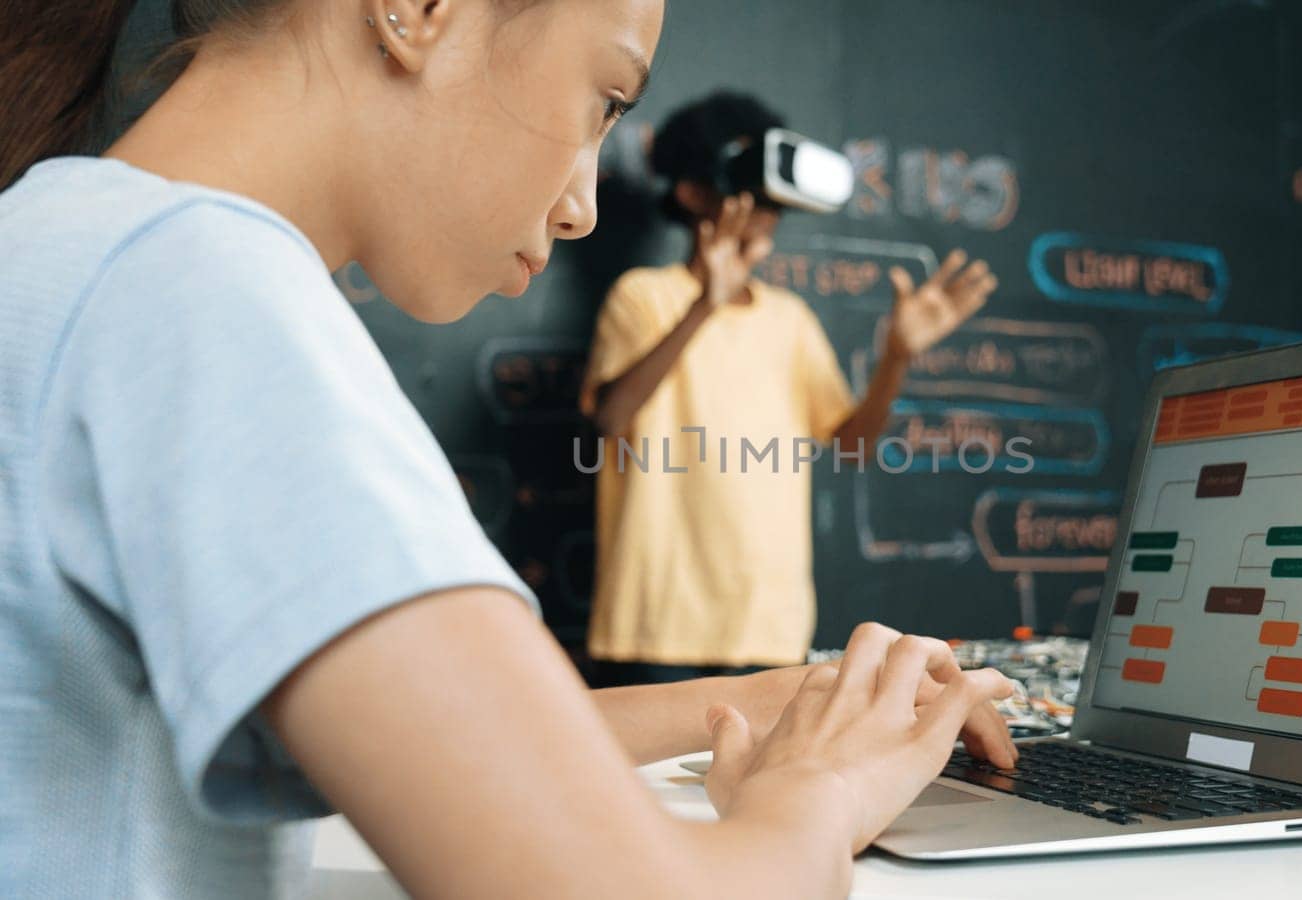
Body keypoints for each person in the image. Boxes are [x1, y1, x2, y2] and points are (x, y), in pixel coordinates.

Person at [0, 1, 1018, 896]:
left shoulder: (68, 244)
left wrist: (760, 697)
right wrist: (827, 788)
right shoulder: (206, 300)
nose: (580, 204)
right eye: (602, 96)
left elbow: (442, 752)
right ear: (416, 8)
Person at [582, 92, 998, 686]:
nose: (767, 205)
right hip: (654, 623)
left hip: (767, 626)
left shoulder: (790, 319)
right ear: (693, 193)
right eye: (746, 181)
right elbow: (609, 421)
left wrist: (896, 358)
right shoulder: (644, 297)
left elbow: (852, 443)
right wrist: (706, 305)